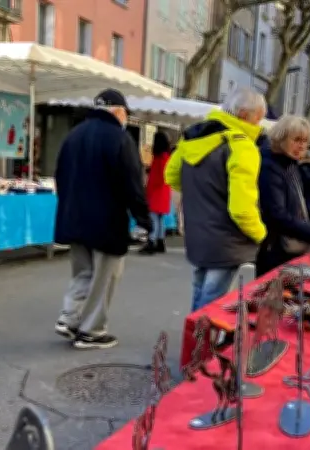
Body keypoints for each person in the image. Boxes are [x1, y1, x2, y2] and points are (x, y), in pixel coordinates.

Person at [53, 88, 152, 349]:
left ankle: (69, 316)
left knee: (82, 272)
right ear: (119, 111)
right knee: (105, 276)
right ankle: (92, 330)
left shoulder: (73, 135)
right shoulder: (119, 139)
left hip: (74, 217)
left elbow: (60, 177)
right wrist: (143, 220)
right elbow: (132, 184)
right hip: (107, 220)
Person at [165, 88, 267, 312]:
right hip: (226, 238)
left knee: (201, 287)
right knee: (213, 296)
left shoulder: (194, 137)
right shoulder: (242, 146)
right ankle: (202, 344)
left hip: (198, 229)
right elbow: (241, 209)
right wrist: (261, 235)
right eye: (258, 118)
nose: (259, 125)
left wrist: (203, 191)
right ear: (243, 115)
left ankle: (194, 339)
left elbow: (171, 176)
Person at [256, 116, 310, 276]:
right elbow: (277, 215)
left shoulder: (290, 164)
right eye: (297, 140)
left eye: (305, 141)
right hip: (275, 250)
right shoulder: (270, 167)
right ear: (281, 138)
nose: (302, 146)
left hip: (287, 246)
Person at [139, 131, 171, 255]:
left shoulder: (159, 157)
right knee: (160, 218)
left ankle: (152, 241)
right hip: (163, 192)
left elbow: (160, 176)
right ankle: (160, 241)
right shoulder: (166, 156)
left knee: (153, 217)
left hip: (156, 191)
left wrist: (150, 185)